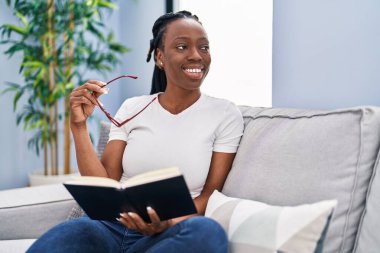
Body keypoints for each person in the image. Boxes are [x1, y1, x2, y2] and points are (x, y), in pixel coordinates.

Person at [27, 10, 244, 253]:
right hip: (110, 226)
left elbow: (209, 196)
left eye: (204, 47)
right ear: (160, 57)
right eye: (182, 46)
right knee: (73, 231)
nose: (196, 55)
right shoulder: (133, 107)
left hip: (167, 232)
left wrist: (166, 223)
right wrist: (78, 126)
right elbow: (104, 184)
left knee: (207, 232)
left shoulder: (225, 114)